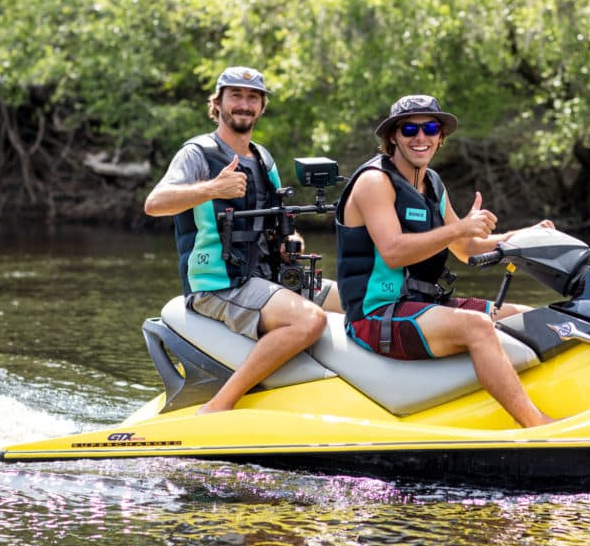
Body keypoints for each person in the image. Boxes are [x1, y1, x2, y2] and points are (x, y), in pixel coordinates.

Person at [335, 94, 555, 428]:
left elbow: (467, 248)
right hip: (375, 315)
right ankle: (537, 425)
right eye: (409, 128)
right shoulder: (374, 182)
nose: (420, 137)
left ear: (440, 137)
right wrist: (458, 228)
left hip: (422, 304)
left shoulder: (432, 183)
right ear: (393, 136)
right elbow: (393, 251)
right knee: (478, 326)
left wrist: (525, 234)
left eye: (430, 128)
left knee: (535, 317)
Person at [144, 65, 338, 415]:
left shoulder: (263, 159)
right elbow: (154, 204)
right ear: (217, 103)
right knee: (309, 320)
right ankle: (220, 405)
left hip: (265, 278)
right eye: (235, 96)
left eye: (253, 98)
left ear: (262, 107)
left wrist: (290, 239)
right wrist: (213, 188)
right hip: (218, 284)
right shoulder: (197, 154)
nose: (244, 104)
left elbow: (283, 221)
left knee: (359, 297)